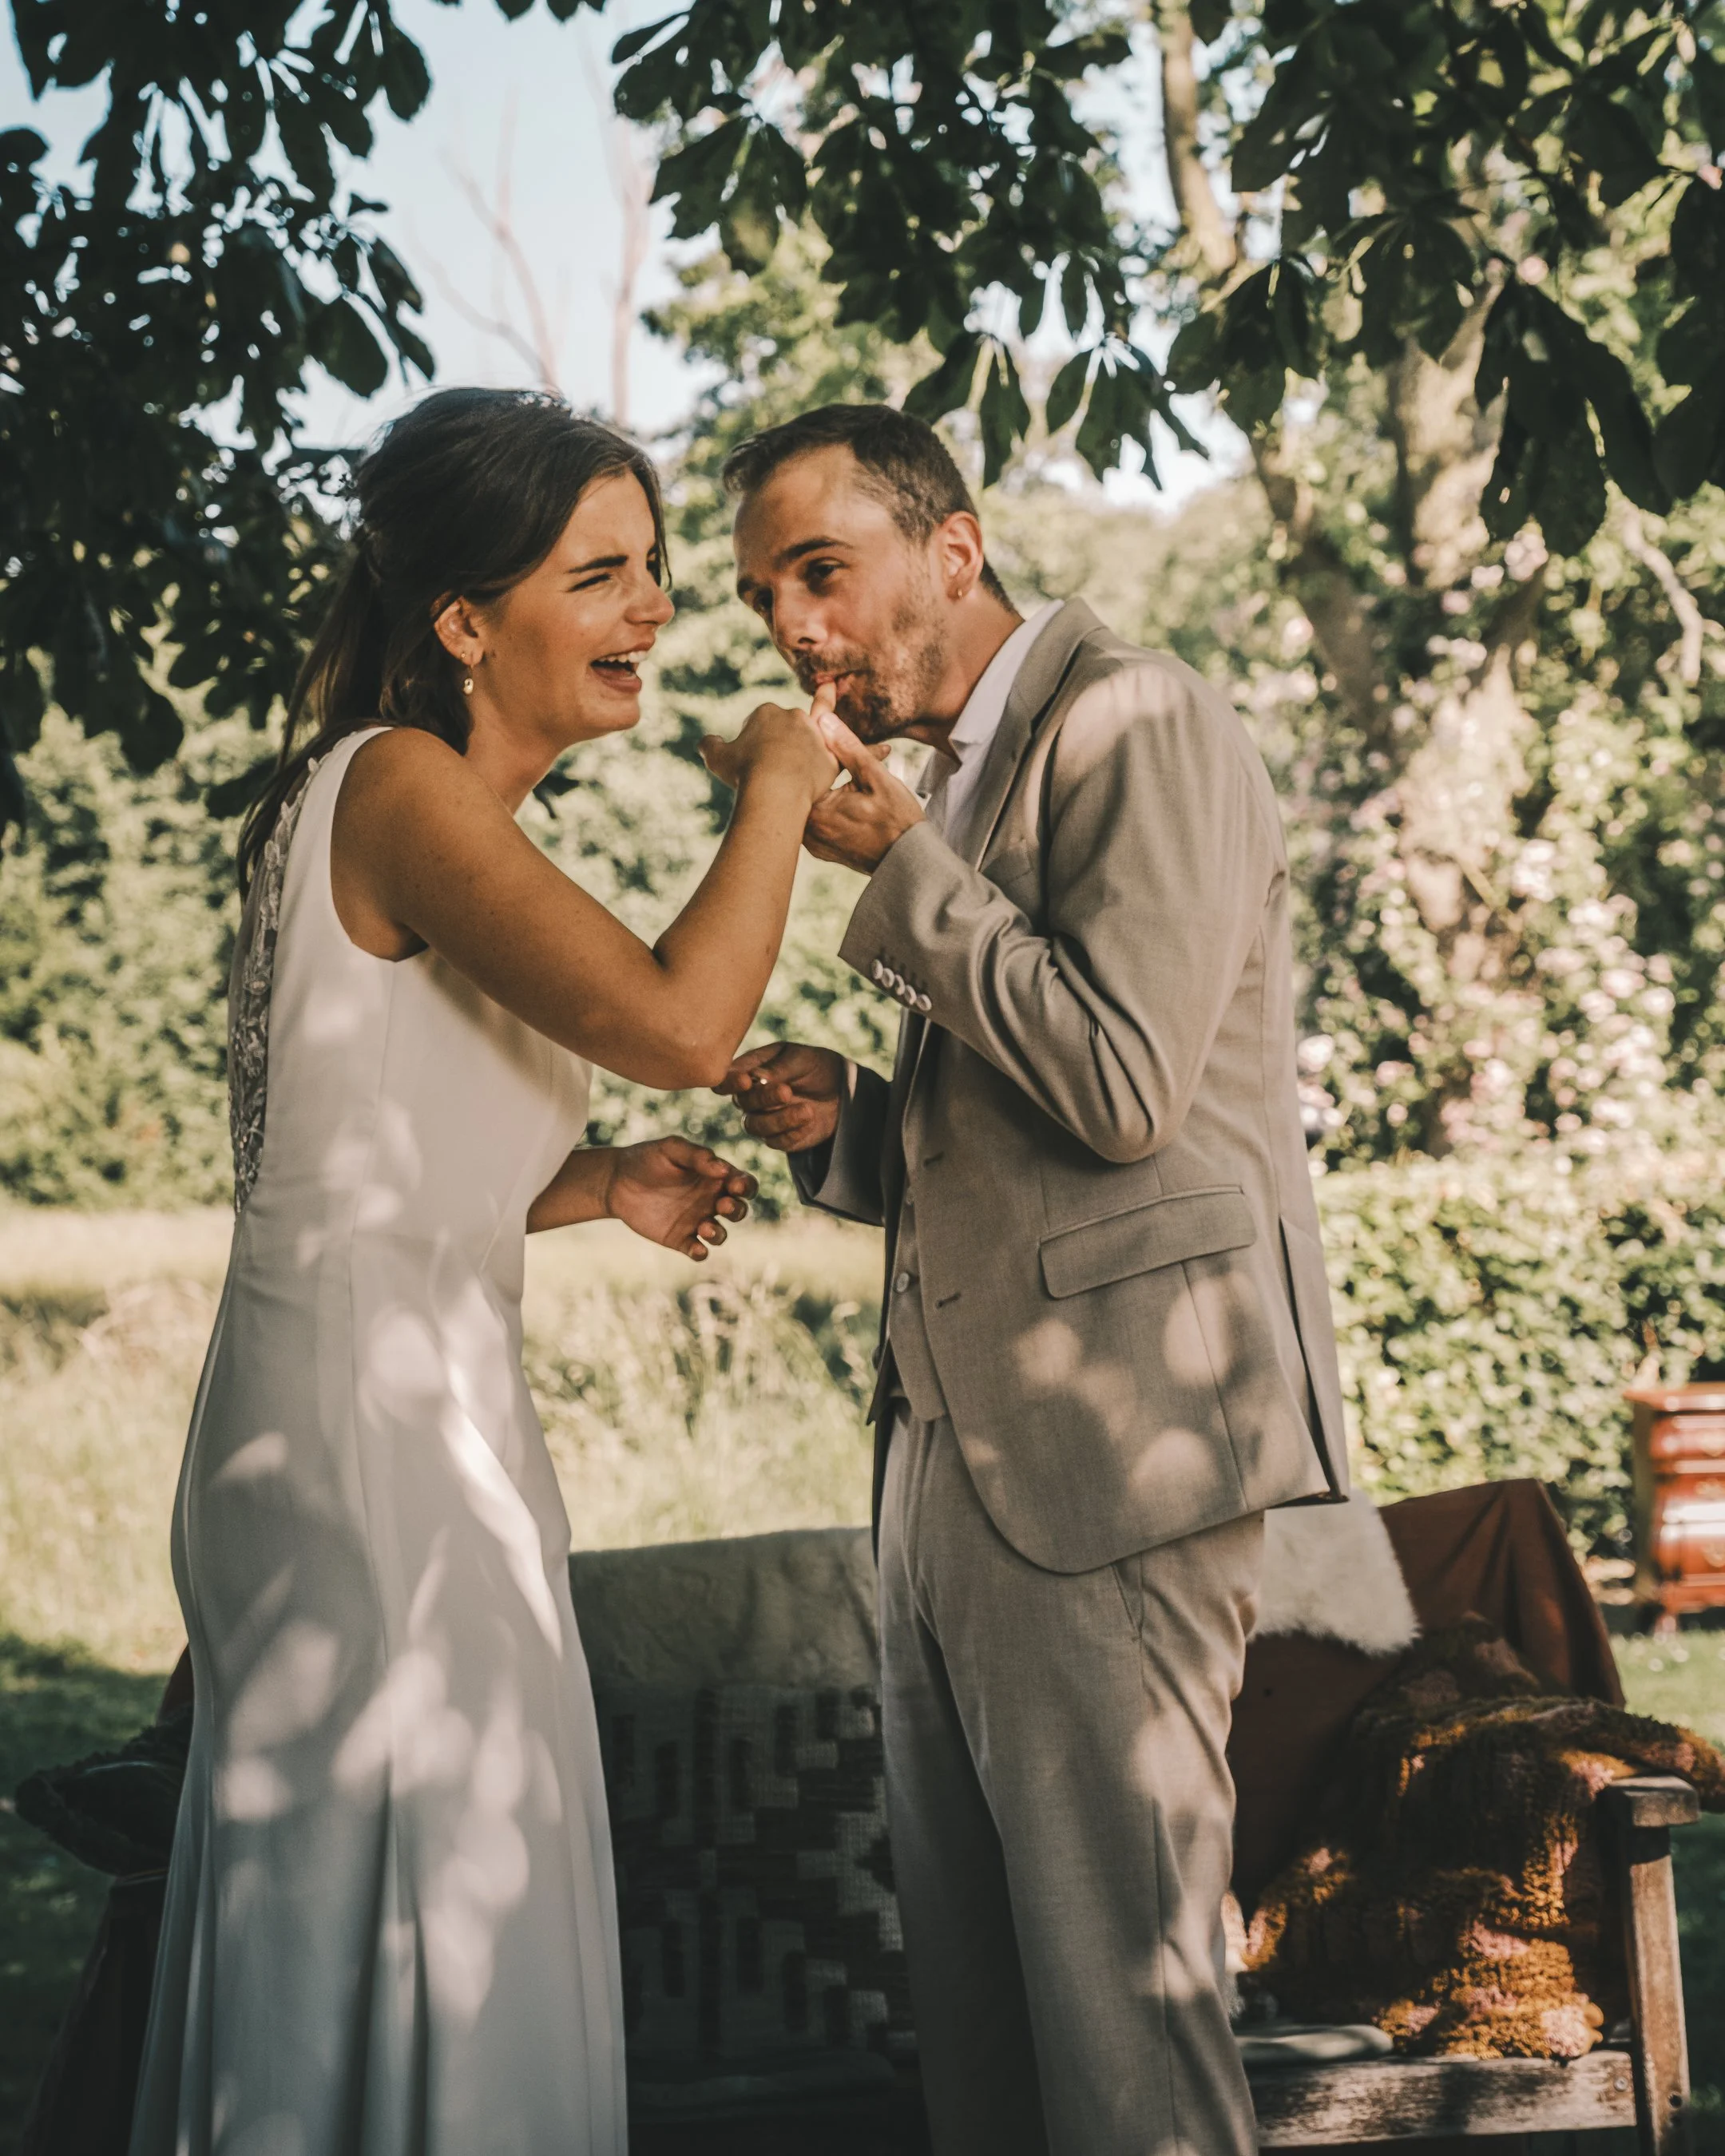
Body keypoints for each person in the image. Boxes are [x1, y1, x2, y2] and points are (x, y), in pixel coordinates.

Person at [128, 386, 837, 2156]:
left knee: (436, 1886)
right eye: (601, 575)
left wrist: (597, 1186)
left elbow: (374, 1160)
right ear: (464, 620)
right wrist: (780, 781)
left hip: (410, 1405)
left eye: (652, 568)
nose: (655, 608)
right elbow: (682, 1023)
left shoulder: (432, 815)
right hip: (368, 1449)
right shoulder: (398, 784)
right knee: (420, 1892)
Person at [716, 403, 1350, 2156]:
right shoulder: (962, 778)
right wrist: (851, 1123)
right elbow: (1020, 1143)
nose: (793, 630)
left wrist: (902, 872)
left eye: (821, 572)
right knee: (990, 2042)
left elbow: (1127, 1085)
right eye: (765, 597)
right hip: (949, 1473)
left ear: (956, 549)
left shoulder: (1141, 717)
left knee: (1125, 2041)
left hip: (1113, 1468)